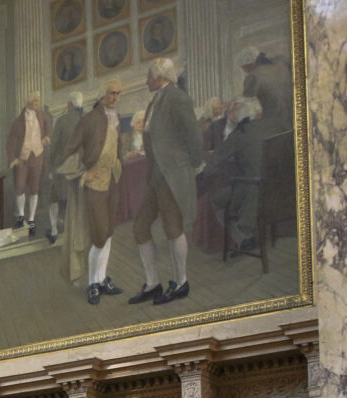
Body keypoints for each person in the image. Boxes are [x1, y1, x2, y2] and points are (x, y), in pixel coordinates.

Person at [128, 58, 202, 306]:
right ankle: (152, 283)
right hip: (156, 177)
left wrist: (191, 164)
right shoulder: (155, 100)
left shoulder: (176, 97)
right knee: (140, 227)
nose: (146, 80)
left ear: (160, 77)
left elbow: (192, 135)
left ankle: (180, 282)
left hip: (172, 174)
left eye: (149, 75)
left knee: (173, 228)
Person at [62, 80, 125, 305]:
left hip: (112, 181)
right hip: (95, 184)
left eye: (118, 94)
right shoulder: (87, 121)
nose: (115, 97)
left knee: (108, 233)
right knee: (98, 235)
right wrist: (82, 173)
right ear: (101, 95)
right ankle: (91, 284)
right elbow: (68, 152)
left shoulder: (115, 119)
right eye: (111, 93)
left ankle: (101, 279)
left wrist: (119, 165)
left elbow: (118, 149)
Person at [201, 97, 283, 253]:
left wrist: (202, 163)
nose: (232, 114)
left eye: (235, 111)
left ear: (244, 115)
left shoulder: (240, 133)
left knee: (217, 201)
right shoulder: (277, 125)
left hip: (255, 190)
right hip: (282, 190)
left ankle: (244, 238)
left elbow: (216, 158)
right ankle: (249, 235)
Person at [7, 92, 52, 236]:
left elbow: (50, 128)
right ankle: (21, 216)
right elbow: (10, 142)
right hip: (23, 159)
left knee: (34, 188)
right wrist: (13, 158)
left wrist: (47, 138)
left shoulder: (42, 115)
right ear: (27, 102)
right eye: (34, 100)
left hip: (37, 156)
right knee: (19, 188)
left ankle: (31, 219)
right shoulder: (18, 121)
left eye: (37, 100)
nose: (36, 103)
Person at [49, 91, 84, 242]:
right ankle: (77, 231)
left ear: (69, 104)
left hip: (64, 167)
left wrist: (51, 166)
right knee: (76, 198)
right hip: (82, 167)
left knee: (53, 197)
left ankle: (54, 230)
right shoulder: (86, 119)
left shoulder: (62, 121)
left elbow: (54, 146)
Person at [237, 46, 293, 131]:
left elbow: (245, 104)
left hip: (276, 125)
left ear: (248, 65)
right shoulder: (281, 62)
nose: (244, 71)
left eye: (243, 67)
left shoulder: (253, 76)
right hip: (295, 117)